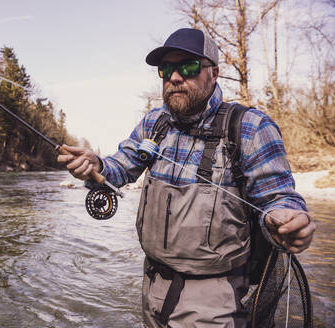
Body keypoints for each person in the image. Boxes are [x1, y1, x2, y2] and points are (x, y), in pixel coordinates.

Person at [57, 28, 316, 328]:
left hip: (216, 300)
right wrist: (96, 166)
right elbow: (120, 167)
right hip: (152, 286)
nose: (175, 77)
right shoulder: (154, 123)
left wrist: (287, 221)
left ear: (214, 72)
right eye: (166, 69)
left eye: (189, 67)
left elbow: (278, 199)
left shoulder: (251, 127)